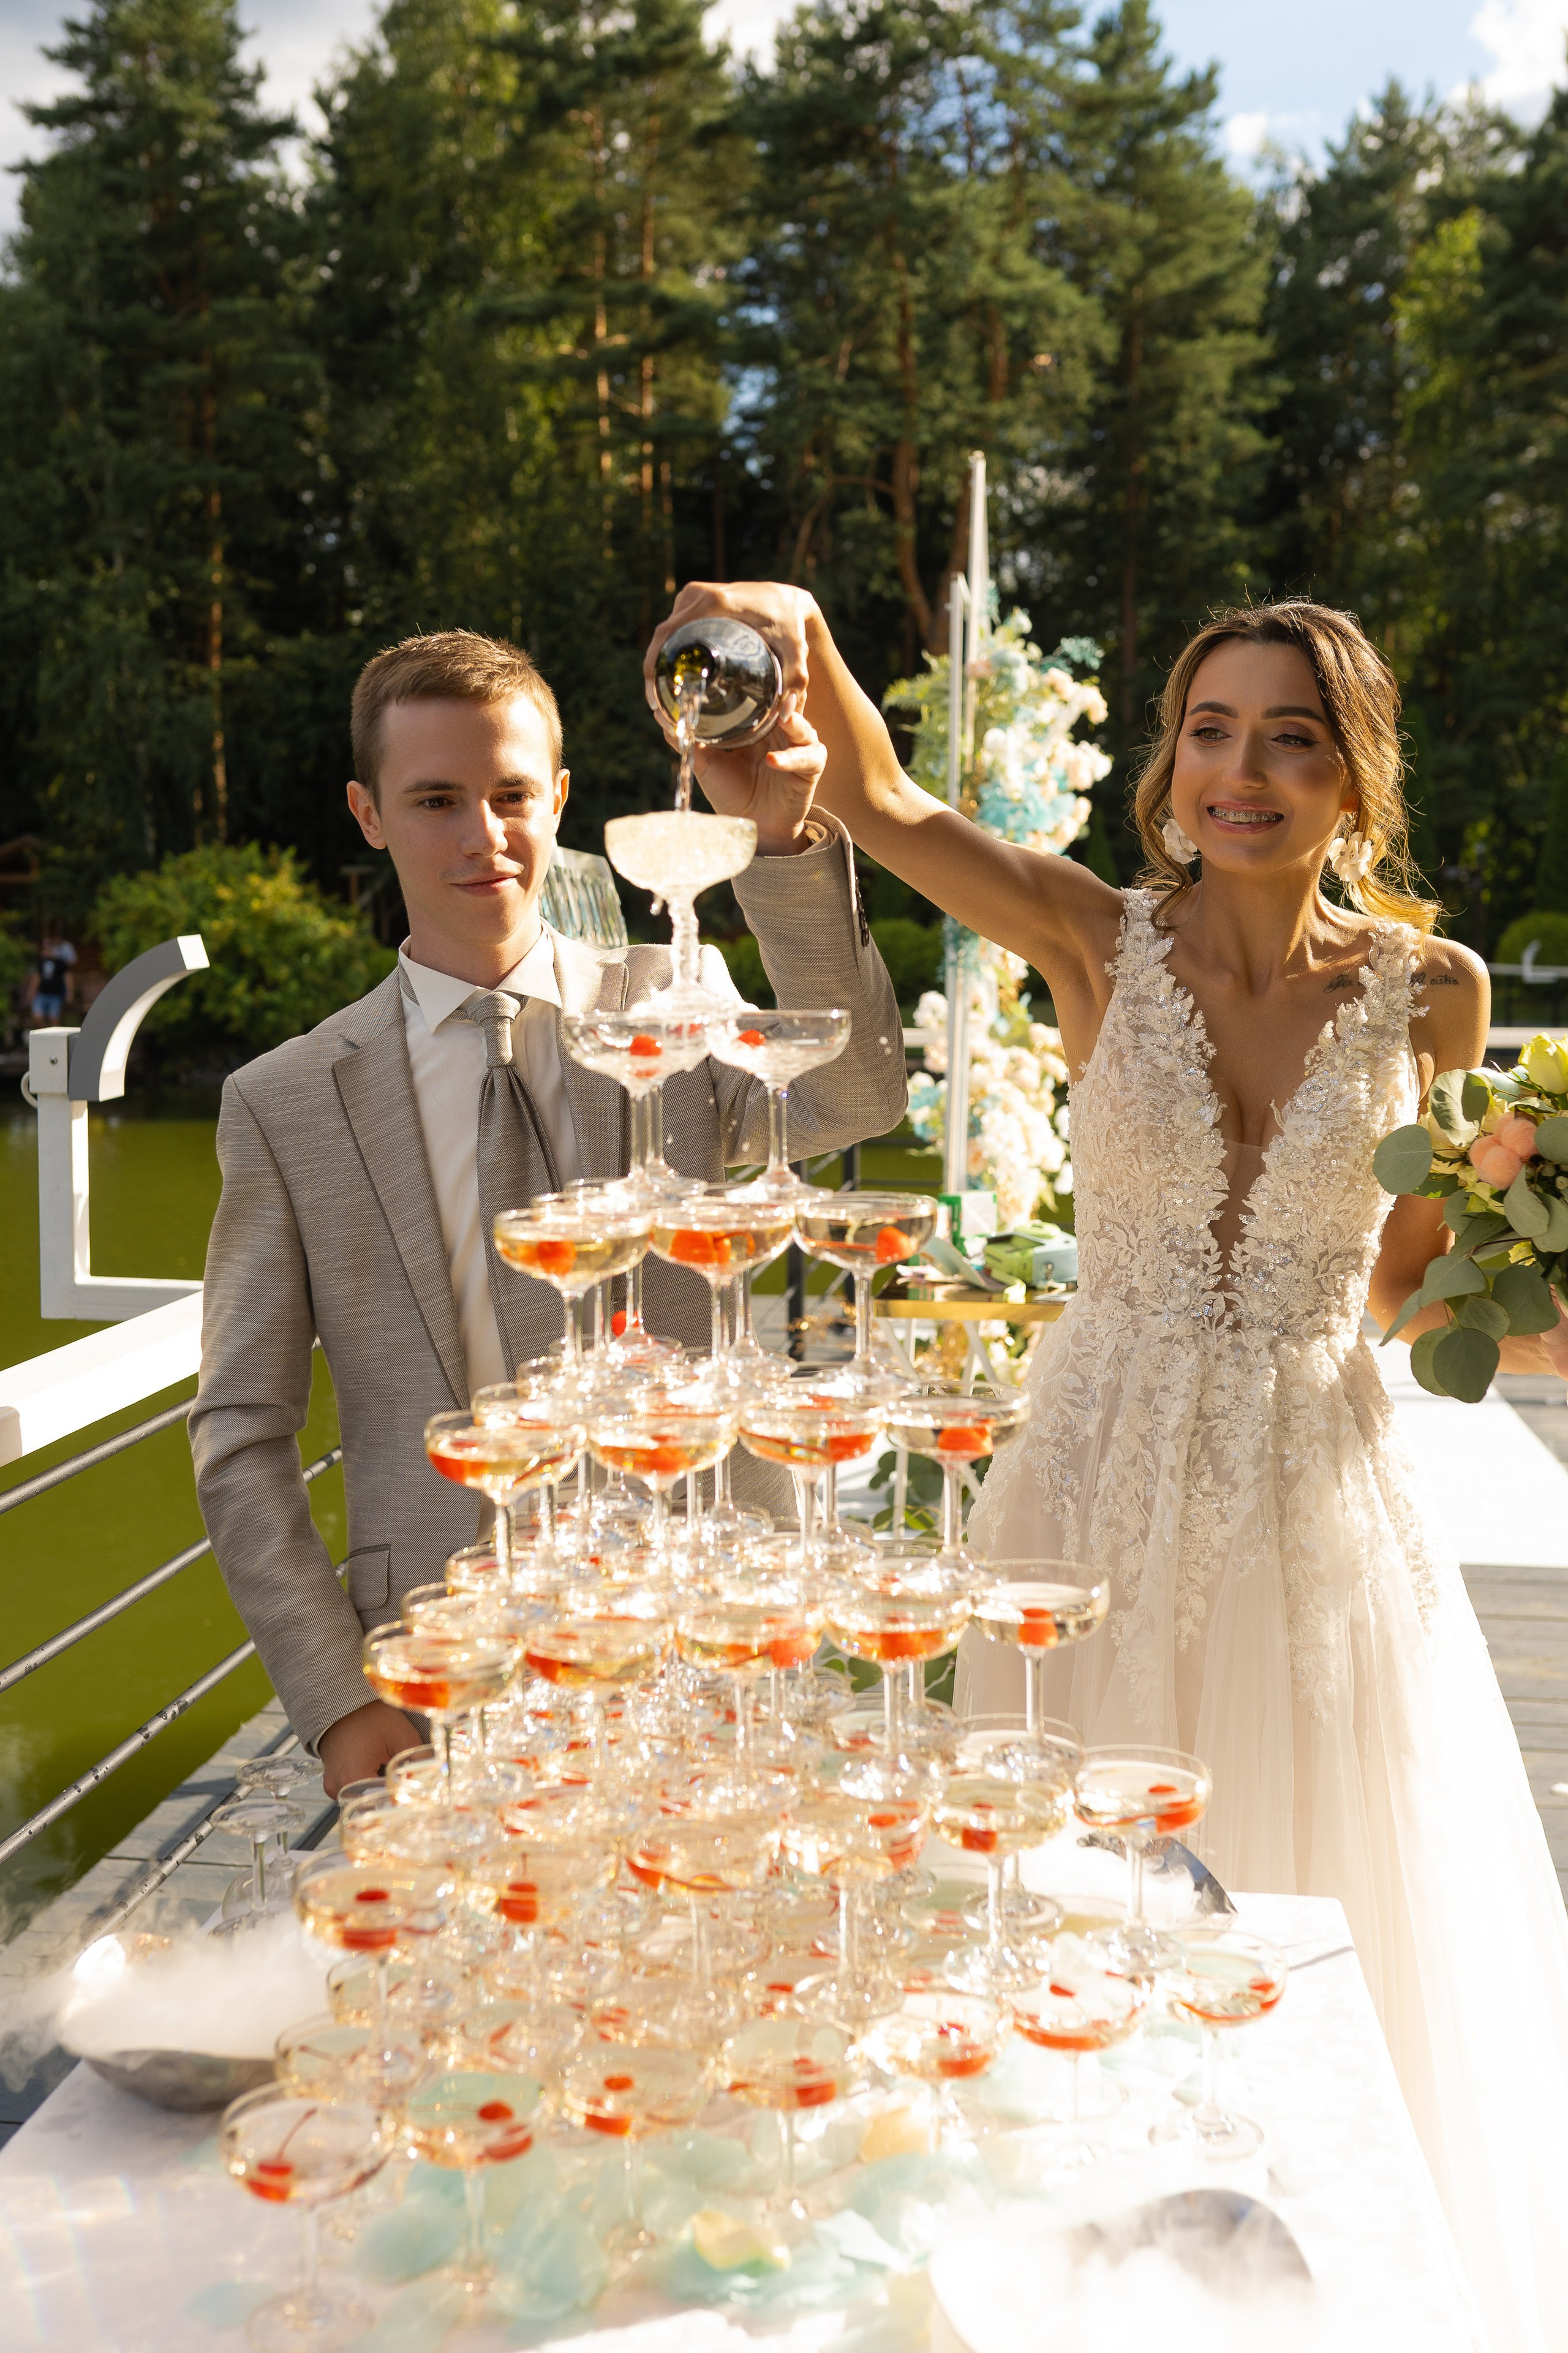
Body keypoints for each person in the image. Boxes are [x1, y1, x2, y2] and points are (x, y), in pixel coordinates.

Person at [648, 585, 1568, 2351]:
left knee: (1318, 1917)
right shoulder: (1090, 939)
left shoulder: (1433, 996)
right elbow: (892, 808)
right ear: (1169, 762)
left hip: (1315, 1496)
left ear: (1352, 780)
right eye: (1214, 731)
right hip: (1087, 1487)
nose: (1245, 770)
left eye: (1292, 736)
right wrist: (807, 637)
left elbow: (1404, 1289)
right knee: (1055, 1906)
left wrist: (1537, 1282)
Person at [189, 627, 906, 1800]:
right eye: (435, 800)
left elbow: (861, 1089)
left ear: (561, 798)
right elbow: (241, 1434)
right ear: (368, 814)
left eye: (513, 794)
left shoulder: (675, 1003)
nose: (483, 836)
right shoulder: (282, 1103)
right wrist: (336, 1699)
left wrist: (779, 839)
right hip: (445, 1658)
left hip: (706, 1623)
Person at [28, 935, 75, 1025]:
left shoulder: (60, 963)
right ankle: (44, 1035)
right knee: (38, 1017)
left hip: (55, 996)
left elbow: (68, 978)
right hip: (42, 994)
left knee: (54, 1020)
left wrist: (70, 992)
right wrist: (32, 991)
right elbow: (37, 977)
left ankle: (54, 1038)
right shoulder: (42, 962)